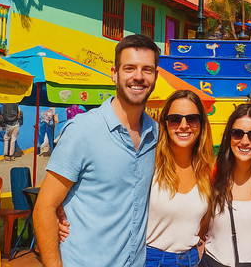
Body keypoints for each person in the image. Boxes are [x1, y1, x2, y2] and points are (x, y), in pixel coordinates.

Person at [34, 34, 160, 267]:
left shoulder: (155, 134)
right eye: (130, 68)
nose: (138, 77)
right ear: (115, 73)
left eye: (147, 70)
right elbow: (44, 207)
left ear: (156, 76)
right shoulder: (83, 131)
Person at [58, 90, 214, 267]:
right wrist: (60, 212)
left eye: (192, 118)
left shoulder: (206, 170)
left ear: (201, 124)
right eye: (175, 119)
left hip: (190, 261)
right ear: (165, 123)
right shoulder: (150, 160)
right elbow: (107, 186)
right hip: (150, 259)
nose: (184, 125)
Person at [203, 104, 251, 267]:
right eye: (237, 133)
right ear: (229, 136)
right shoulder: (213, 174)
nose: (245, 141)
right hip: (214, 262)